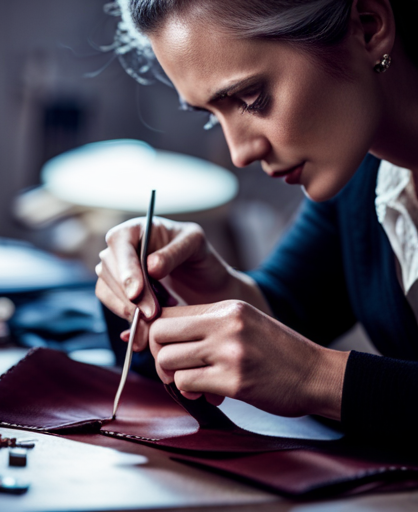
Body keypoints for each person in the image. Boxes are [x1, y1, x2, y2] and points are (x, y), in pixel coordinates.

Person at [96, 0, 418, 440]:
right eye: (212, 116)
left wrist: (316, 377)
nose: (240, 153)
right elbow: (291, 309)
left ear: (367, 26)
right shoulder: (362, 177)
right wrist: (207, 291)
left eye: (251, 98)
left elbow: (300, 366)